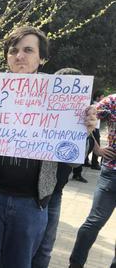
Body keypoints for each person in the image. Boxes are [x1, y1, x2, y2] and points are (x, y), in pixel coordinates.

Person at [0, 26, 97, 268]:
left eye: (28, 50)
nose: (19, 56)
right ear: (7, 57)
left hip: (31, 203)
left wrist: (83, 132)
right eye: (13, 50)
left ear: (42, 58)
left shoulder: (62, 98)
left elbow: (72, 160)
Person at [31, 68, 83, 268]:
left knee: (44, 249)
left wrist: (83, 132)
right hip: (30, 193)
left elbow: (76, 163)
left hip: (55, 195)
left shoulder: (79, 122)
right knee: (21, 249)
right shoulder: (37, 113)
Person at [69, 93, 116, 268]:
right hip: (112, 173)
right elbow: (83, 116)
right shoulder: (113, 101)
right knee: (94, 222)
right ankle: (75, 264)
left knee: (93, 222)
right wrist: (96, 148)